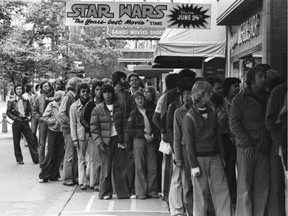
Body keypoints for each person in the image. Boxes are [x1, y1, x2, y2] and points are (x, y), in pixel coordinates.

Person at [183, 81, 231, 216]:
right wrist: (193, 165)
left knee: (222, 190)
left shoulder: (212, 111)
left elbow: (217, 135)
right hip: (198, 157)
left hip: (215, 155)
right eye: (209, 92)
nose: (212, 94)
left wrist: (221, 155)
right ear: (201, 94)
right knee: (200, 192)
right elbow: (189, 144)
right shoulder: (189, 117)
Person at [230, 66, 271, 216]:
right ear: (252, 79)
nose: (264, 79)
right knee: (245, 186)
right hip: (246, 148)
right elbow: (234, 124)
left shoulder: (268, 97)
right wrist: (245, 142)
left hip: (263, 147)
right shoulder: (239, 99)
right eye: (260, 76)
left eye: (265, 76)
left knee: (261, 187)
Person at [90, 84, 130, 199]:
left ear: (113, 93)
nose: (107, 94)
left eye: (109, 92)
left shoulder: (119, 106)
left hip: (118, 139)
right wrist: (99, 143)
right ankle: (105, 193)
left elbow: (125, 124)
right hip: (105, 142)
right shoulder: (97, 109)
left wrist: (125, 139)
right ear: (102, 95)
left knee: (120, 167)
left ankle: (122, 193)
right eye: (105, 92)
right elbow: (94, 129)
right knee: (106, 168)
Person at [207, 76, 237, 205]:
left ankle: (230, 199)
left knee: (229, 172)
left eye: (221, 88)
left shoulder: (224, 102)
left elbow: (230, 120)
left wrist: (232, 137)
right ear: (210, 89)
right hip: (211, 142)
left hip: (226, 140)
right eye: (217, 88)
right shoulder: (206, 105)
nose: (220, 90)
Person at [169, 78, 194, 216]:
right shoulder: (178, 112)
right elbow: (176, 136)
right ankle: (190, 211)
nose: (186, 97)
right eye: (183, 95)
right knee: (187, 183)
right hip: (184, 151)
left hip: (201, 150)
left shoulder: (202, 109)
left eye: (188, 94)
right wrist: (178, 157)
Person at [127, 91, 159, 199]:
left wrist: (154, 134)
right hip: (139, 140)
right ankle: (140, 192)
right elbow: (130, 129)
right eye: (137, 99)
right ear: (134, 101)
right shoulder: (133, 113)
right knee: (140, 166)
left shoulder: (151, 111)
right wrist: (143, 134)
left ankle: (152, 190)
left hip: (151, 140)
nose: (140, 100)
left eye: (141, 98)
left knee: (152, 165)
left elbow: (155, 124)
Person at [265, 82, 286, 216]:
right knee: (277, 185)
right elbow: (270, 120)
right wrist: (279, 141)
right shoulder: (278, 92)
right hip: (280, 145)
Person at [112, 71, 133, 197]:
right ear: (121, 79)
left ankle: (121, 189)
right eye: (125, 79)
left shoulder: (121, 94)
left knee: (119, 163)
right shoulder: (122, 95)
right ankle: (122, 190)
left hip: (117, 131)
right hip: (120, 131)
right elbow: (126, 115)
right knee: (121, 162)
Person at [58, 77, 83, 186]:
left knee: (74, 153)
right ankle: (68, 178)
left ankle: (74, 176)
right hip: (68, 129)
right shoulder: (67, 97)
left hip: (72, 129)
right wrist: (71, 123)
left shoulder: (73, 97)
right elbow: (61, 113)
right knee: (69, 154)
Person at [6, 84, 39, 164]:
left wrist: (29, 117)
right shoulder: (11, 101)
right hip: (17, 122)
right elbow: (8, 112)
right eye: (17, 89)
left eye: (20, 89)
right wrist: (14, 118)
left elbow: (30, 110)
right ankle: (19, 159)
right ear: (15, 90)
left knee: (31, 140)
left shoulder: (26, 100)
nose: (19, 90)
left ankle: (36, 158)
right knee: (16, 142)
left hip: (25, 122)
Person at [80, 80, 103, 190]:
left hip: (106, 135)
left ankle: (102, 181)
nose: (99, 92)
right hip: (94, 136)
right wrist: (91, 130)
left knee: (102, 160)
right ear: (93, 91)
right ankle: (94, 182)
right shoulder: (90, 104)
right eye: (97, 90)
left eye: (101, 89)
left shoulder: (106, 103)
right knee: (94, 160)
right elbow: (83, 119)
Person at [39, 90, 65, 183]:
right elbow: (44, 117)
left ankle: (55, 175)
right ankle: (43, 175)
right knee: (50, 153)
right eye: (63, 96)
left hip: (62, 131)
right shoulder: (51, 105)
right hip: (53, 131)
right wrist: (54, 122)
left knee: (59, 154)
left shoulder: (64, 105)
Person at [70, 82, 90, 190]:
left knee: (90, 160)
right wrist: (74, 139)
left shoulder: (91, 104)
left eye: (87, 91)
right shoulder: (74, 106)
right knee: (81, 159)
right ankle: (82, 182)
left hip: (91, 135)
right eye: (83, 91)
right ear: (79, 93)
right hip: (80, 136)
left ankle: (90, 180)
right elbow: (73, 124)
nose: (85, 93)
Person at [32, 80, 54, 165]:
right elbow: (34, 110)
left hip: (52, 122)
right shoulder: (38, 98)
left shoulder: (54, 96)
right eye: (44, 86)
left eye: (47, 86)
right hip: (43, 122)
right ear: (41, 88)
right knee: (42, 142)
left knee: (51, 142)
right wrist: (40, 118)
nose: (46, 87)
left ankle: (51, 161)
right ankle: (42, 162)